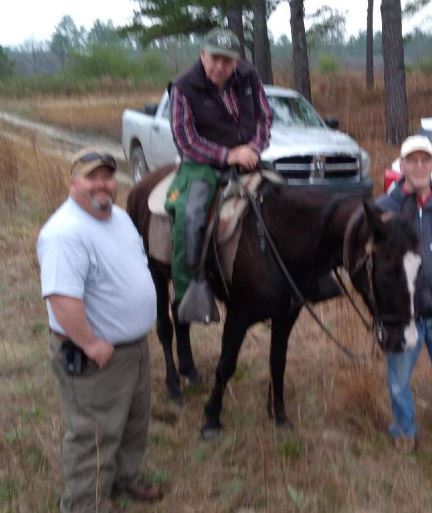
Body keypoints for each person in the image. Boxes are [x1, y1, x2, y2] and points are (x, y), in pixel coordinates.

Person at [37, 148, 163, 513]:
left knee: (132, 423)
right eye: (92, 177)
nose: (102, 184)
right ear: (73, 183)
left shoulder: (119, 218)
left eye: (108, 175)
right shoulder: (64, 233)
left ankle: (125, 480)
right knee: (93, 433)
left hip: (132, 347)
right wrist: (90, 343)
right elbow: (61, 297)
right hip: (96, 353)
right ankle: (84, 504)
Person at [166, 27, 273, 323]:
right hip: (202, 165)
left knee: (282, 199)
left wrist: (252, 147)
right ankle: (189, 291)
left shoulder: (249, 77)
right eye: (214, 58)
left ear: (237, 62)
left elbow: (265, 117)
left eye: (227, 61)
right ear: (202, 55)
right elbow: (185, 138)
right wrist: (229, 155)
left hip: (246, 159)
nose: (220, 66)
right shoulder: (184, 87)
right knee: (191, 214)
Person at [375, 135, 432, 452]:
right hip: (404, 316)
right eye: (411, 160)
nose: (418, 166)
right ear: (401, 166)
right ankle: (404, 430)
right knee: (400, 378)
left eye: (424, 160)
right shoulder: (384, 209)